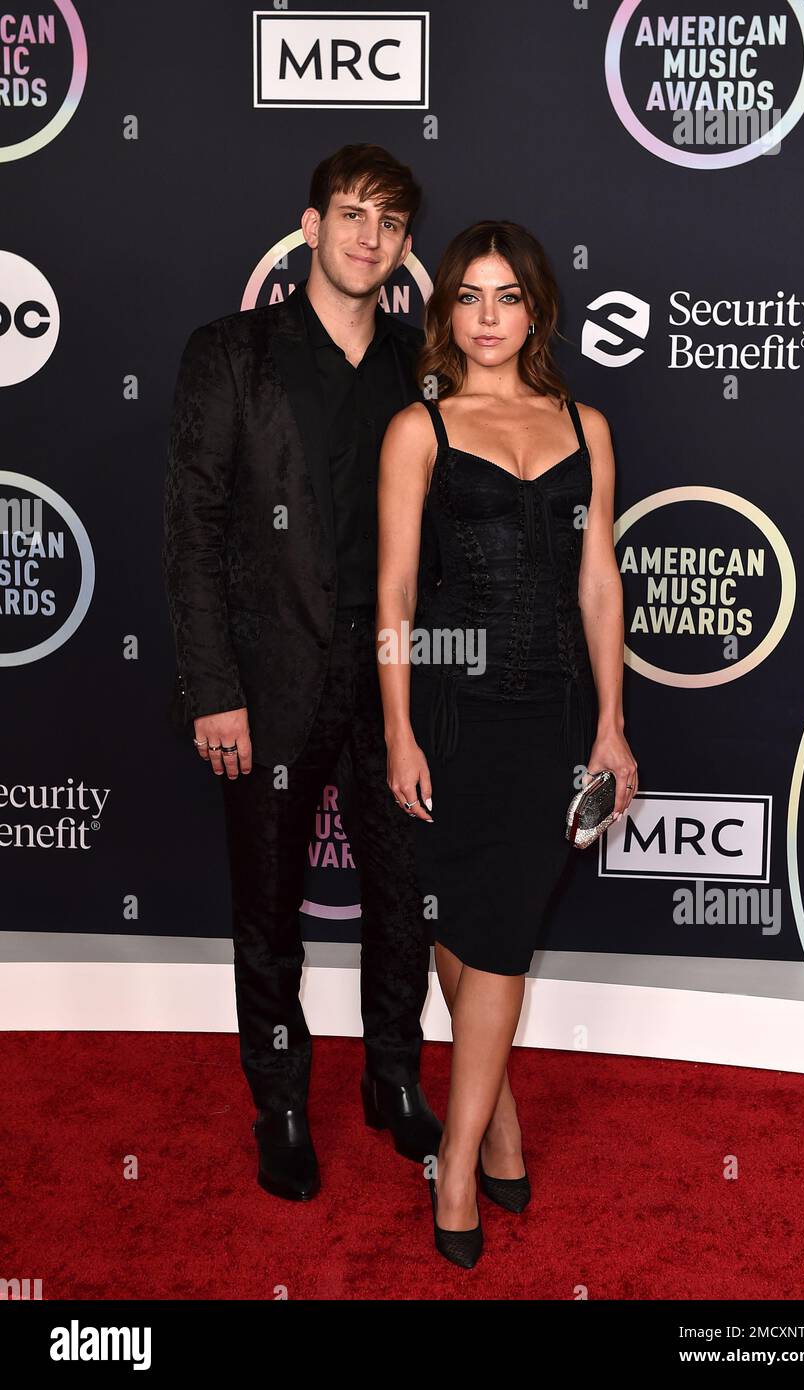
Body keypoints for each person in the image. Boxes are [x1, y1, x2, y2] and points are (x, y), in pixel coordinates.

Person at [162, 144, 442, 1202]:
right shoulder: (229, 353)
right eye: (353, 214)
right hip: (268, 682)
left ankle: (393, 1077)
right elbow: (192, 528)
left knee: (405, 896)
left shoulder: (427, 366)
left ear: (407, 246)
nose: (371, 237)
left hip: (397, 681)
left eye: (393, 223)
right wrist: (212, 685)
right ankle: (279, 1102)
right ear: (310, 226)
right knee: (269, 907)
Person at [376, 221, 638, 1266]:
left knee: (495, 934)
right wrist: (397, 725)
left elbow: (599, 581)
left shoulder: (588, 425)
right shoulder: (418, 428)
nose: (488, 318)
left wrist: (613, 723)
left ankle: (456, 1155)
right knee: (467, 936)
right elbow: (395, 592)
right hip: (447, 706)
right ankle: (498, 1126)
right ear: (446, 312)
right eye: (470, 298)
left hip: (555, 715)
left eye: (508, 297)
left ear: (538, 310)